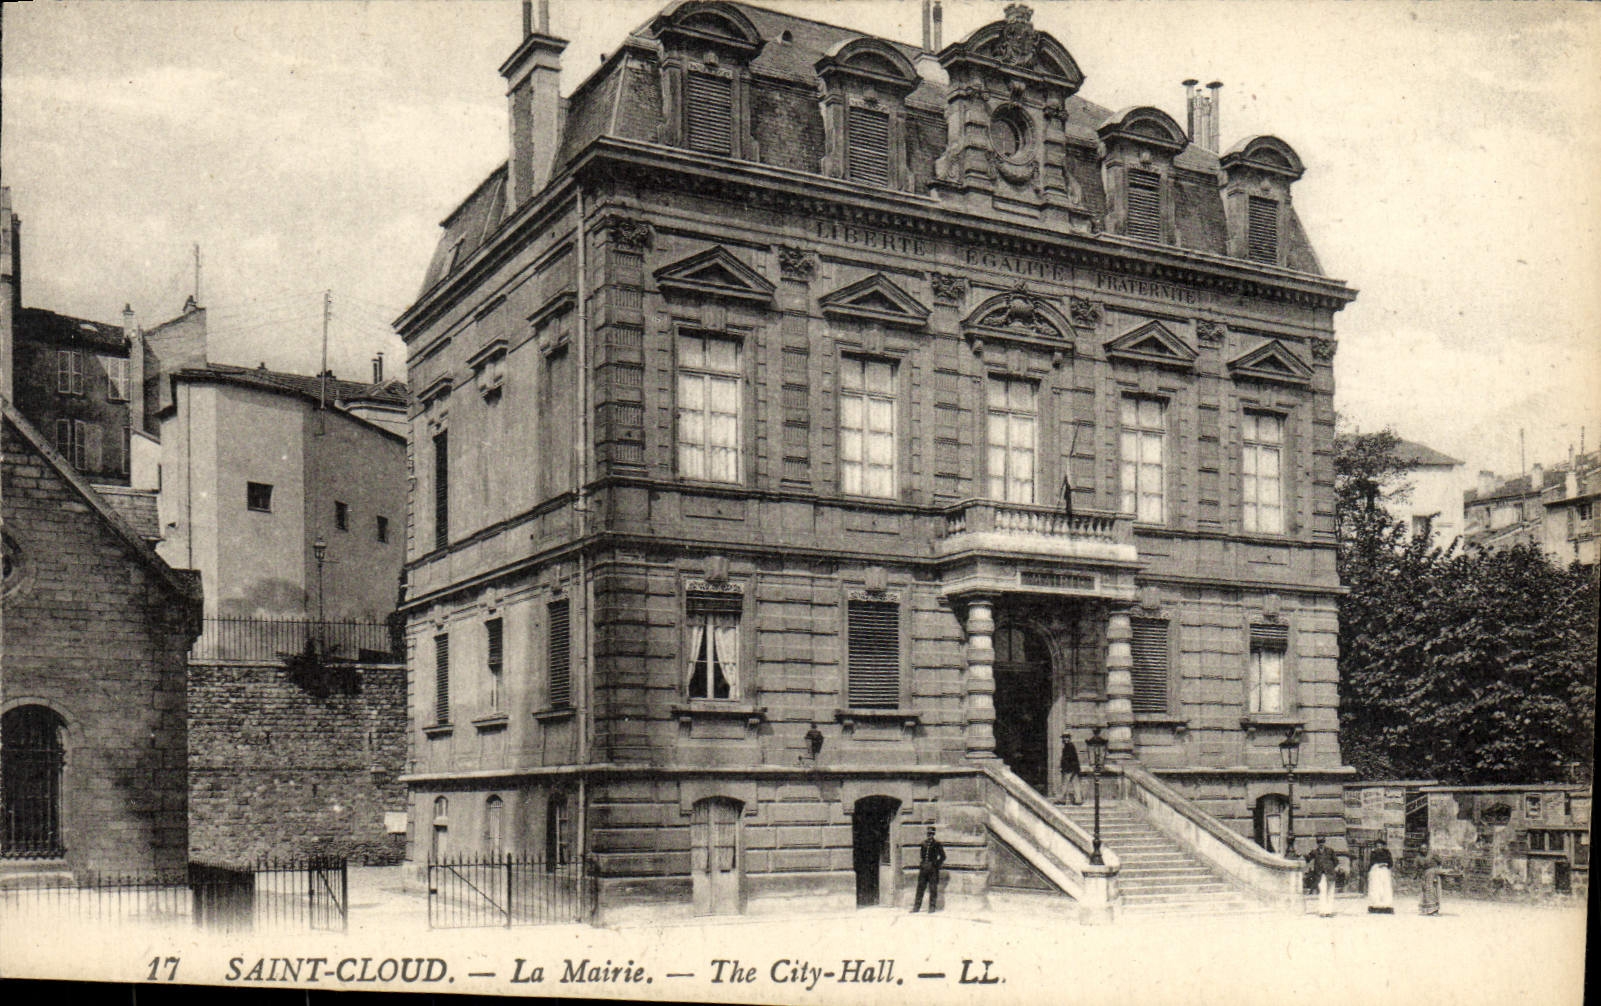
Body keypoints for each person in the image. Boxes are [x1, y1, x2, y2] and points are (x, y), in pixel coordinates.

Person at [911, 826, 946, 913]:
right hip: (923, 868)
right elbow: (922, 856)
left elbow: (943, 856)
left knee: (933, 888)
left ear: (934, 834)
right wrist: (922, 864)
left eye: (931, 834)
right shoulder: (923, 843)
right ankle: (916, 907)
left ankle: (932, 907)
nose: (930, 835)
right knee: (920, 888)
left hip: (933, 869)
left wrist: (936, 864)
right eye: (928, 833)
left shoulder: (937, 844)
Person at [1310, 836, 1340, 917]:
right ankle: (1322, 911)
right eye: (1319, 843)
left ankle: (1329, 911)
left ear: (1324, 842)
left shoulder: (1330, 851)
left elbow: (1336, 861)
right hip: (1320, 875)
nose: (1321, 844)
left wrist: (1330, 868)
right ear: (1317, 843)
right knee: (1322, 892)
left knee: (1330, 892)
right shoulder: (1315, 852)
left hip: (1329, 875)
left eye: (1322, 842)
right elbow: (1308, 858)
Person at [1366, 840, 1394, 914]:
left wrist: (1385, 864)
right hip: (1376, 871)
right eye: (1377, 846)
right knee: (1376, 888)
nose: (1379, 847)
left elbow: (1390, 862)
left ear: (1383, 846)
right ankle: (1376, 905)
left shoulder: (1387, 853)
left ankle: (1386, 905)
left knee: (1385, 888)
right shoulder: (1373, 853)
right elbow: (1372, 862)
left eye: (1380, 846)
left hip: (1384, 872)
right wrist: (1377, 865)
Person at [1059, 733, 1083, 805]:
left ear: (1069, 738)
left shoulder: (1069, 747)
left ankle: (1062, 799)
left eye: (1066, 738)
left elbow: (1069, 758)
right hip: (1074, 768)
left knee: (1065, 783)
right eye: (1064, 738)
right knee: (1076, 784)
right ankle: (1078, 800)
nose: (1065, 739)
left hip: (1069, 768)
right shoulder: (1070, 746)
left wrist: (1064, 766)